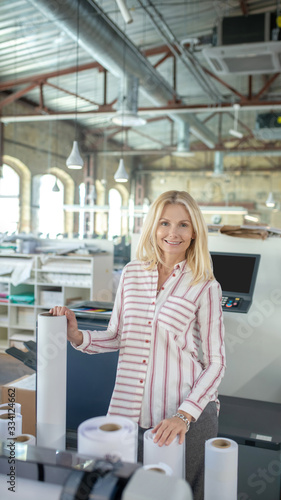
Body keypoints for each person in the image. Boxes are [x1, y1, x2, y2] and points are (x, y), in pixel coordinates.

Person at [50, 190, 226, 500]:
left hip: (185, 414)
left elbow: (216, 362)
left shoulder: (205, 285)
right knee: (129, 492)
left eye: (183, 225)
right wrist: (78, 336)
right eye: (165, 223)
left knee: (186, 494)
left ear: (195, 231)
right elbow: (118, 335)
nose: (173, 233)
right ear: (153, 227)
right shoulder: (131, 274)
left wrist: (183, 415)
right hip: (130, 412)